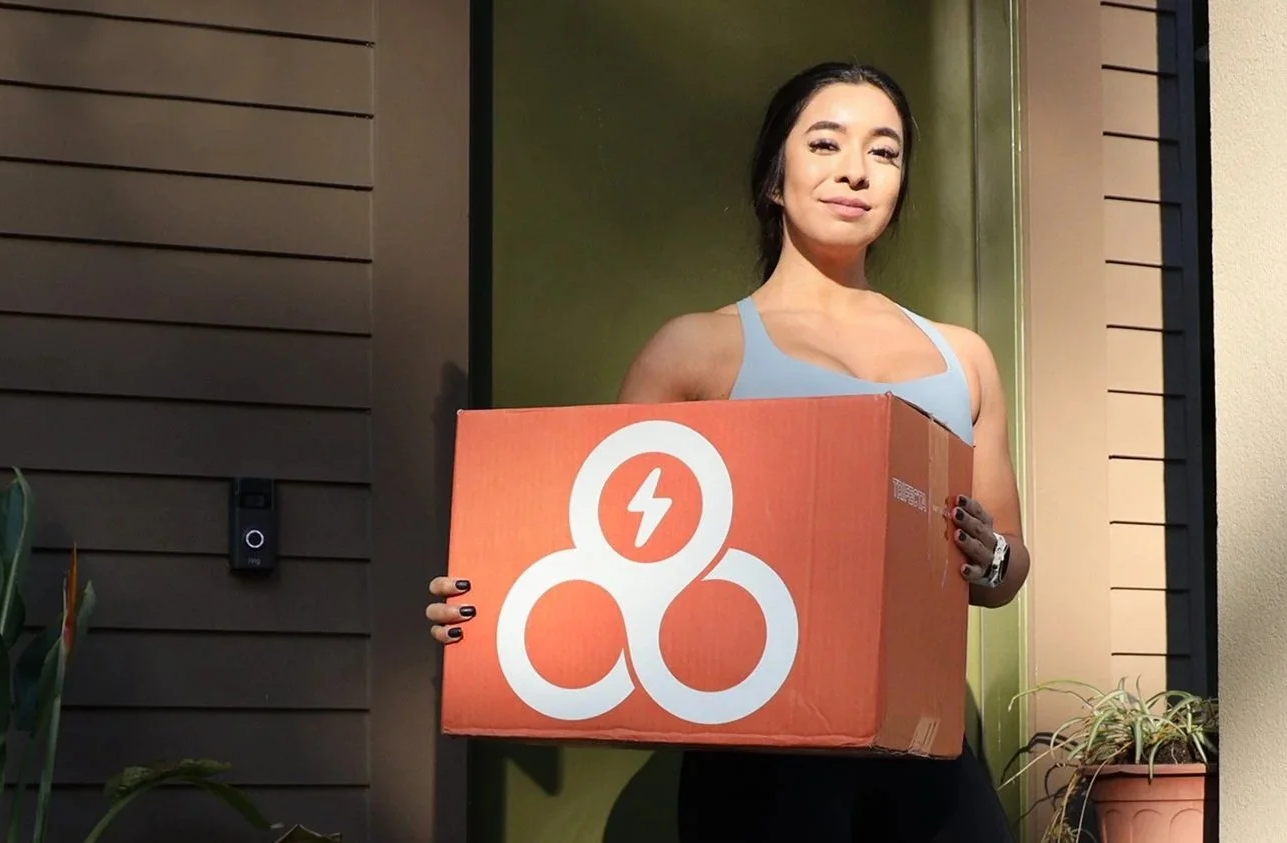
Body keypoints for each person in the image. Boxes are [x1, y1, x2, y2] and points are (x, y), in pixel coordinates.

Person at [426, 61, 1029, 842]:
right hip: (759, 756)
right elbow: (604, 543)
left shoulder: (965, 358)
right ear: (774, 178)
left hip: (928, 750)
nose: (855, 169)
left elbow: (1008, 570)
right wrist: (487, 604)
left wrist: (987, 556)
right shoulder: (697, 350)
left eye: (884, 152)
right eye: (824, 143)